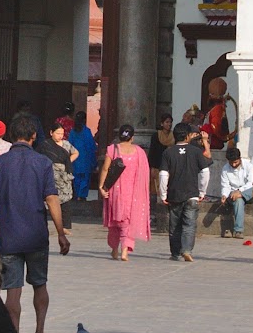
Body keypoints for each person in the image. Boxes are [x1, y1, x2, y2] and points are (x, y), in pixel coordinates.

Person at [0, 117, 70, 333]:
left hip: (9, 236)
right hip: (36, 235)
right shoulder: (42, 163)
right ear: (33, 137)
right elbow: (52, 199)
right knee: (40, 284)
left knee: (13, 290)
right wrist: (61, 233)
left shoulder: (0, 164)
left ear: (12, 137)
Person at [98, 123, 151, 260]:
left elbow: (105, 169)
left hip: (115, 191)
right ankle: (125, 250)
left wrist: (102, 186)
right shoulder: (139, 152)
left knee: (115, 221)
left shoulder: (112, 149)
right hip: (132, 192)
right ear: (132, 138)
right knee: (127, 221)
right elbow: (144, 173)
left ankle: (115, 249)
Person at [159, 122, 209, 262]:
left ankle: (175, 253)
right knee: (189, 224)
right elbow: (205, 172)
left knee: (174, 225)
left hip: (174, 194)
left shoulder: (168, 152)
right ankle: (187, 250)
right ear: (188, 136)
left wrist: (163, 194)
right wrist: (202, 191)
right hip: (192, 194)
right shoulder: (196, 151)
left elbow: (163, 175)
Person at [35, 120, 78, 229]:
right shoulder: (45, 145)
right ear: (51, 133)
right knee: (48, 198)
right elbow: (37, 158)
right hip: (50, 175)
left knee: (66, 199)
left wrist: (68, 160)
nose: (60, 136)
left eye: (62, 134)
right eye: (58, 133)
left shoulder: (66, 144)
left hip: (64, 176)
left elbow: (76, 152)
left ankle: (66, 225)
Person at [218, 146, 253, 240]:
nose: (233, 165)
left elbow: (251, 183)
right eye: (231, 163)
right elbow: (225, 185)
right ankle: (238, 230)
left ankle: (240, 195)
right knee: (238, 201)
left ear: (240, 159)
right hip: (234, 195)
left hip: (248, 192)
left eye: (236, 162)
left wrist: (240, 192)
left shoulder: (249, 166)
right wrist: (224, 195)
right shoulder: (225, 169)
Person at [69, 111, 97, 200]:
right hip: (86, 160)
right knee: (85, 179)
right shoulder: (86, 131)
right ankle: (82, 196)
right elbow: (91, 147)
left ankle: (77, 195)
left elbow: (69, 146)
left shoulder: (72, 132)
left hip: (75, 160)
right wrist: (94, 162)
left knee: (76, 179)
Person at [148, 113, 175, 195]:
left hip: (170, 166)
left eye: (170, 122)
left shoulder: (174, 135)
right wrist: (151, 167)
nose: (169, 124)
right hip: (157, 165)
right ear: (162, 124)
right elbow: (152, 151)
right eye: (167, 122)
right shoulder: (156, 135)